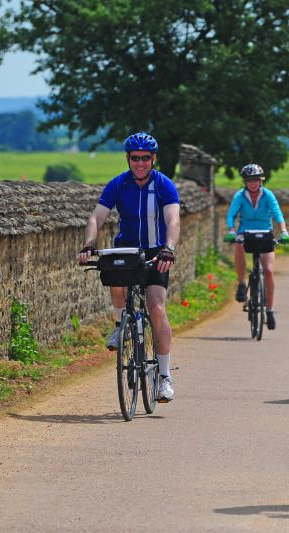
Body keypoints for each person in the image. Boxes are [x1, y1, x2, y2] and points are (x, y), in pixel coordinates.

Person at [78, 132, 180, 402]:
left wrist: (169, 248)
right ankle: (120, 322)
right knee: (114, 282)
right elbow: (96, 217)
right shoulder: (118, 184)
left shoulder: (164, 185)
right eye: (135, 158)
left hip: (157, 251)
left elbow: (173, 220)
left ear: (153, 159)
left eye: (145, 158)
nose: (140, 164)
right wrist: (89, 244)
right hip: (126, 249)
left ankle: (165, 377)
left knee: (157, 308)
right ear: (128, 159)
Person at [224, 163, 289, 330]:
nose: (252, 183)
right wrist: (232, 230)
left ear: (261, 181)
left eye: (255, 180)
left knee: (268, 270)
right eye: (249, 180)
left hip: (265, 231)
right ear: (245, 182)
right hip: (245, 231)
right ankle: (241, 283)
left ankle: (270, 310)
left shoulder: (268, 195)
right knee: (238, 244)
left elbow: (277, 213)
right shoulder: (240, 196)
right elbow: (231, 214)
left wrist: (283, 231)